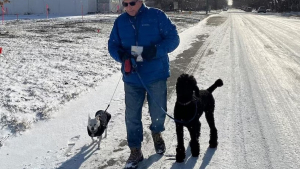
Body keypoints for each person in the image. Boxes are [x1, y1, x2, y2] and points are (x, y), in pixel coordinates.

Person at [108, 0, 179, 168]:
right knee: (132, 116)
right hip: (132, 78)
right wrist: (122, 56)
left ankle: (156, 133)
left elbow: (173, 39)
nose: (128, 7)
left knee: (157, 111)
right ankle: (135, 150)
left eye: (132, 3)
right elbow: (112, 45)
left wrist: (155, 50)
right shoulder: (120, 22)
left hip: (155, 75)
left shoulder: (157, 16)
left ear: (141, 1)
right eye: (125, 4)